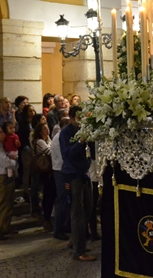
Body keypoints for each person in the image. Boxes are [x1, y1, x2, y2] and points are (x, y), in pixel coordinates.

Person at [60, 106, 96, 262]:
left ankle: (75, 240)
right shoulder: (65, 133)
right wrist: (81, 141)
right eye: (81, 118)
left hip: (84, 173)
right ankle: (78, 251)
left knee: (88, 209)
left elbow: (92, 152)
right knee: (78, 214)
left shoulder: (85, 130)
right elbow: (68, 154)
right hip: (73, 175)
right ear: (74, 118)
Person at [32, 122, 55, 232]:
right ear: (40, 131)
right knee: (47, 194)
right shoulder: (40, 141)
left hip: (50, 170)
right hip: (44, 171)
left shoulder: (48, 139)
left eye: (48, 128)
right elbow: (50, 151)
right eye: (45, 129)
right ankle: (46, 218)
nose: (48, 130)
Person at [51, 117, 71, 241]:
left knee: (66, 200)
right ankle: (58, 229)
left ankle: (65, 225)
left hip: (63, 170)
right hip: (61, 171)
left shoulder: (61, 137)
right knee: (62, 199)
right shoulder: (59, 138)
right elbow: (64, 156)